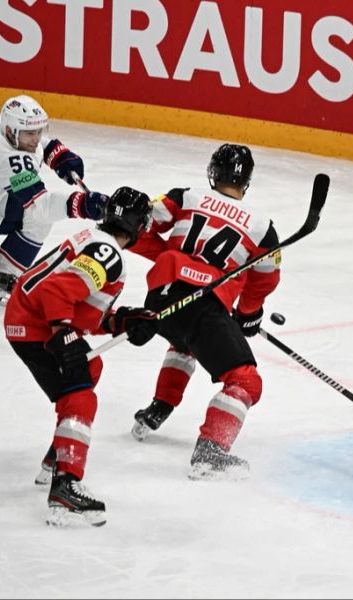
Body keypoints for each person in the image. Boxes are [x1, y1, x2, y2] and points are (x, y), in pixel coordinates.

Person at [4, 186, 157, 526]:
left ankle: (57, 453)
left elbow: (79, 303)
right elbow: (57, 292)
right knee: (81, 396)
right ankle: (66, 484)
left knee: (91, 366)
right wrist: (63, 333)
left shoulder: (93, 239)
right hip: (36, 323)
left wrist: (121, 320)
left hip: (28, 316)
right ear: (139, 226)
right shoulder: (108, 253)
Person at [126, 143, 281, 479]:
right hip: (205, 302)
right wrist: (248, 313)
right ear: (247, 181)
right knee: (246, 381)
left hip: (161, 297)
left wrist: (172, 258)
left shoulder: (185, 196)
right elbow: (264, 279)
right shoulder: (262, 227)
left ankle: (158, 408)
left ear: (213, 173)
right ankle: (211, 452)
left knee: (184, 342)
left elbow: (138, 226)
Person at [0, 94, 108, 307]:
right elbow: (41, 207)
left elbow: (37, 142)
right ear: (11, 131)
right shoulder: (7, 160)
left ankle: (4, 282)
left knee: (37, 220)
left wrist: (58, 154)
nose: (35, 138)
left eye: (38, 131)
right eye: (30, 134)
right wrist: (82, 204)